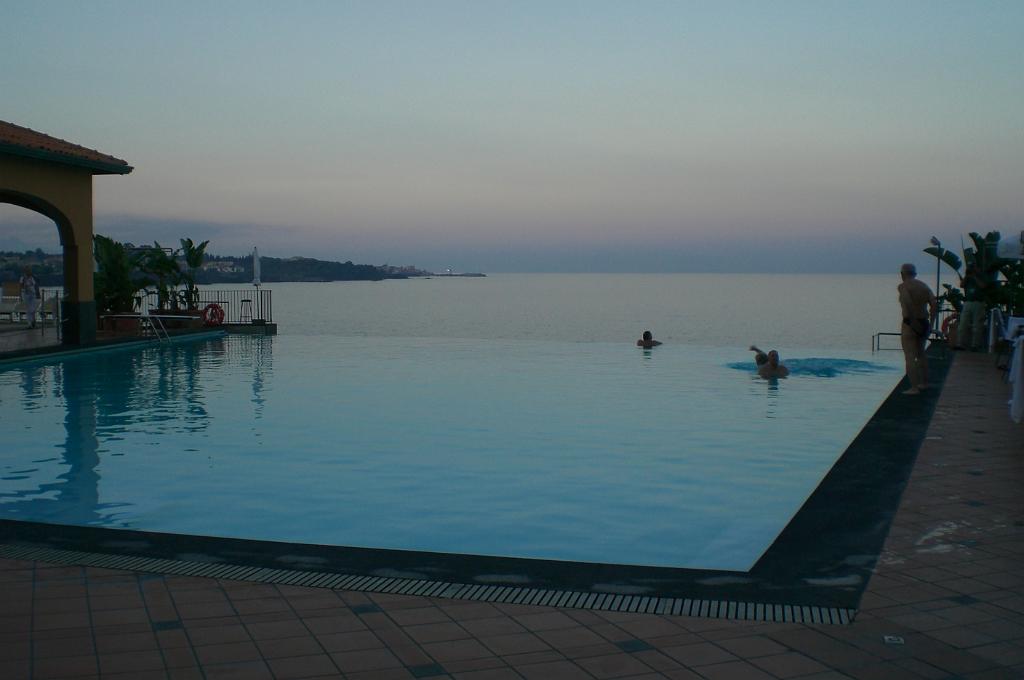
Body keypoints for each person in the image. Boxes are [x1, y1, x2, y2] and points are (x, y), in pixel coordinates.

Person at [898, 262, 937, 395]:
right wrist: (931, 325)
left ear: (902, 274)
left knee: (909, 356)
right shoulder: (924, 286)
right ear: (915, 274)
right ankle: (924, 383)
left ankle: (914, 387)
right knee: (921, 354)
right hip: (924, 322)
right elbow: (934, 304)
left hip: (910, 323)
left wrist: (913, 322)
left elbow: (908, 302)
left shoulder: (903, 286)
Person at [956, 264, 988, 352]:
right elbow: (962, 285)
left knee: (977, 325)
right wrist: (967, 276)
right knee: (962, 324)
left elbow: (983, 286)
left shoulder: (982, 276)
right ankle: (960, 344)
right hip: (968, 302)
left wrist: (974, 276)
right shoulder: (968, 278)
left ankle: (975, 345)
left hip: (978, 302)